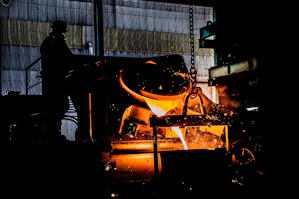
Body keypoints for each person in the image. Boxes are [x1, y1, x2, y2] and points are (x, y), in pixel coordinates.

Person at [40, 20, 90, 143]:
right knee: (60, 106)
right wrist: (81, 65)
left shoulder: (48, 42)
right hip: (57, 80)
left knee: (58, 107)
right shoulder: (56, 42)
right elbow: (68, 58)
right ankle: (55, 135)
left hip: (52, 80)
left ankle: (53, 134)